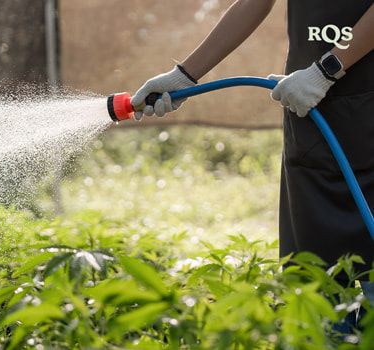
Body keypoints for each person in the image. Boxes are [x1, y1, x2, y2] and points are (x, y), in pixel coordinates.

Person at [131, 0, 374, 332]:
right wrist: (185, 75)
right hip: (312, 111)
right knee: (317, 298)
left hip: (342, 96)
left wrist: (328, 68)